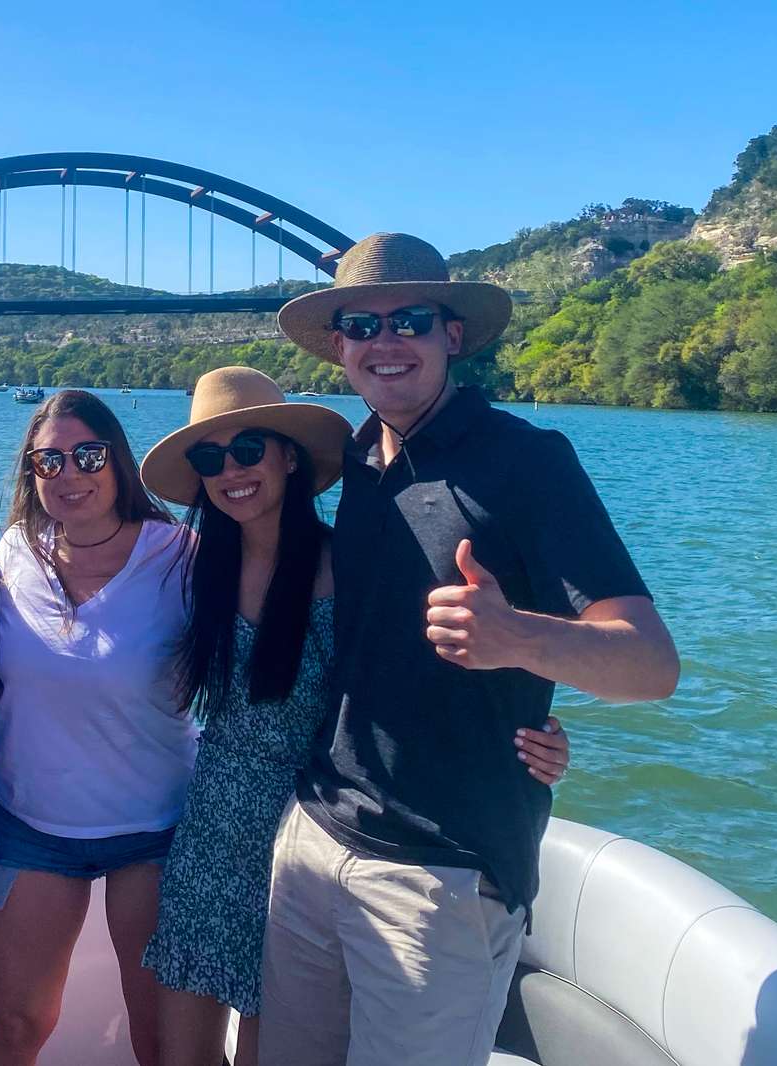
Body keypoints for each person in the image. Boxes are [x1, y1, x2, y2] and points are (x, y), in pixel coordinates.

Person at [258, 233, 681, 1066]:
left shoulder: (528, 463)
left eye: (409, 319)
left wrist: (519, 638)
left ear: (453, 334)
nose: (386, 342)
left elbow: (651, 666)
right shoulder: (359, 455)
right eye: (361, 324)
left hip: (438, 877)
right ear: (338, 345)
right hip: (312, 837)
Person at [136, 368, 572, 1066]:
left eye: (249, 448)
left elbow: (433, 674)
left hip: (305, 827)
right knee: (178, 1053)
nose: (231, 472)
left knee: (268, 1048)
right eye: (210, 459)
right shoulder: (196, 566)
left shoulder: (349, 565)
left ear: (288, 456)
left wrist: (535, 737)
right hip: (212, 827)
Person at [0, 390, 194, 1066]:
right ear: (31, 473)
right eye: (49, 461)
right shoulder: (13, 552)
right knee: (12, 1026)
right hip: (30, 824)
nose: (69, 474)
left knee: (160, 1034)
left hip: (155, 829)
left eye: (87, 455)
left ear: (118, 460)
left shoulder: (181, 556)